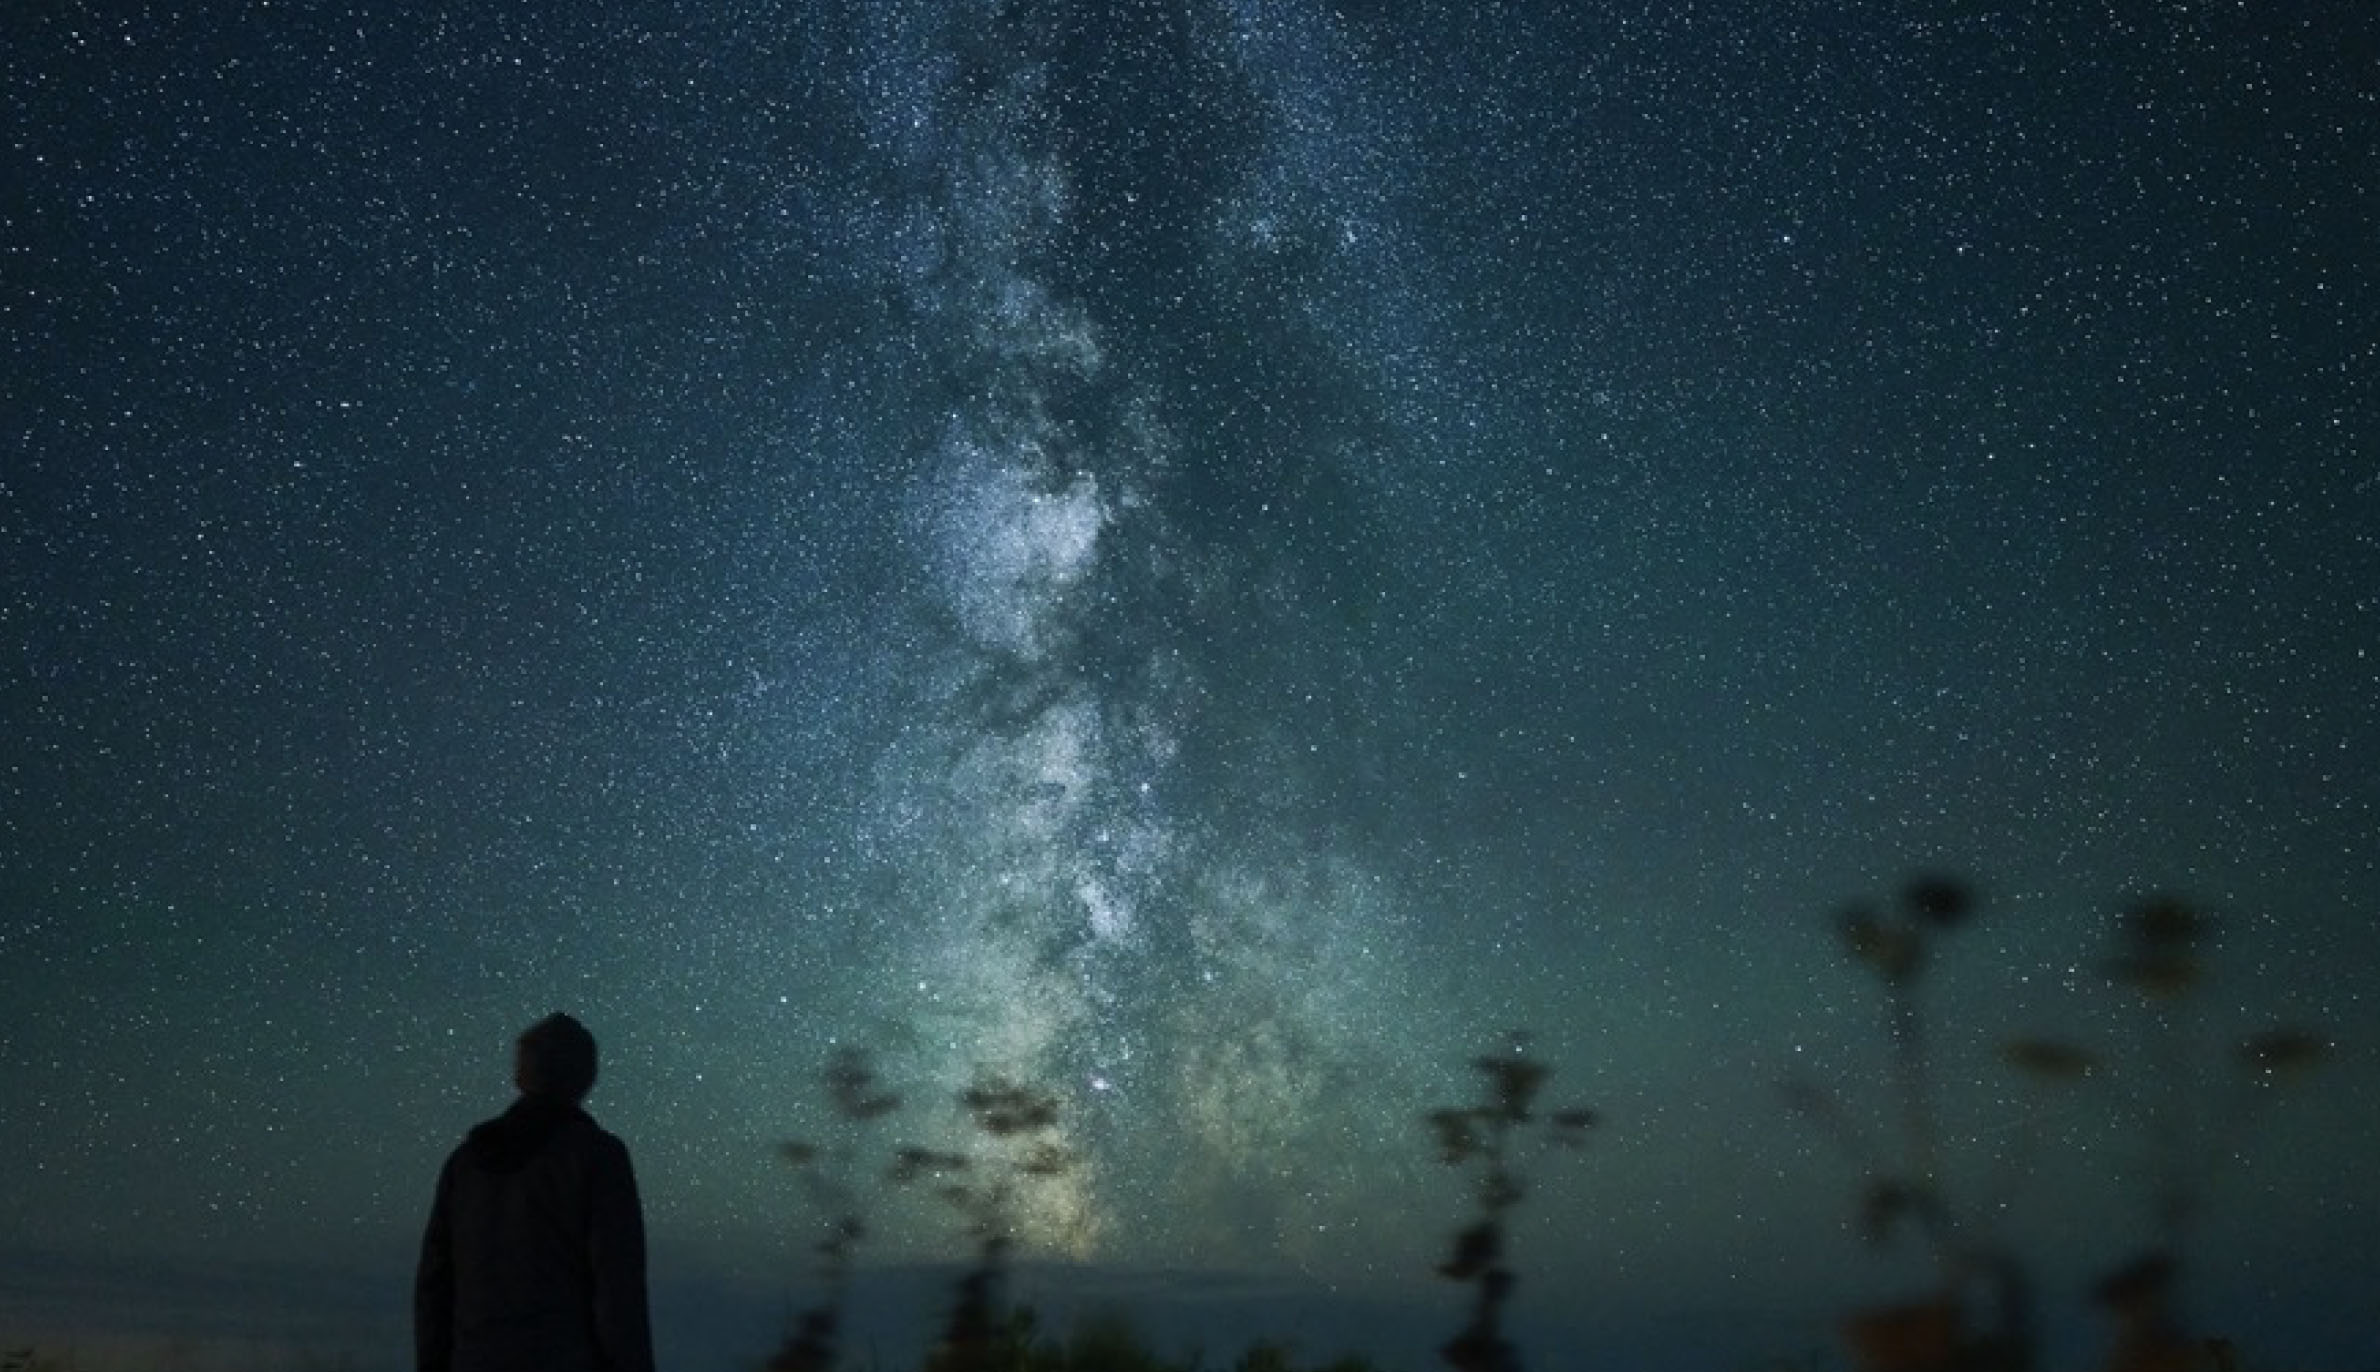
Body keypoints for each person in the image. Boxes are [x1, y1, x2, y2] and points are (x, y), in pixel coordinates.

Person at [416, 1013, 656, 1372]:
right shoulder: (597, 1156)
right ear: (584, 1077)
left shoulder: (466, 1164)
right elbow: (617, 1286)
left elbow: (435, 1286)